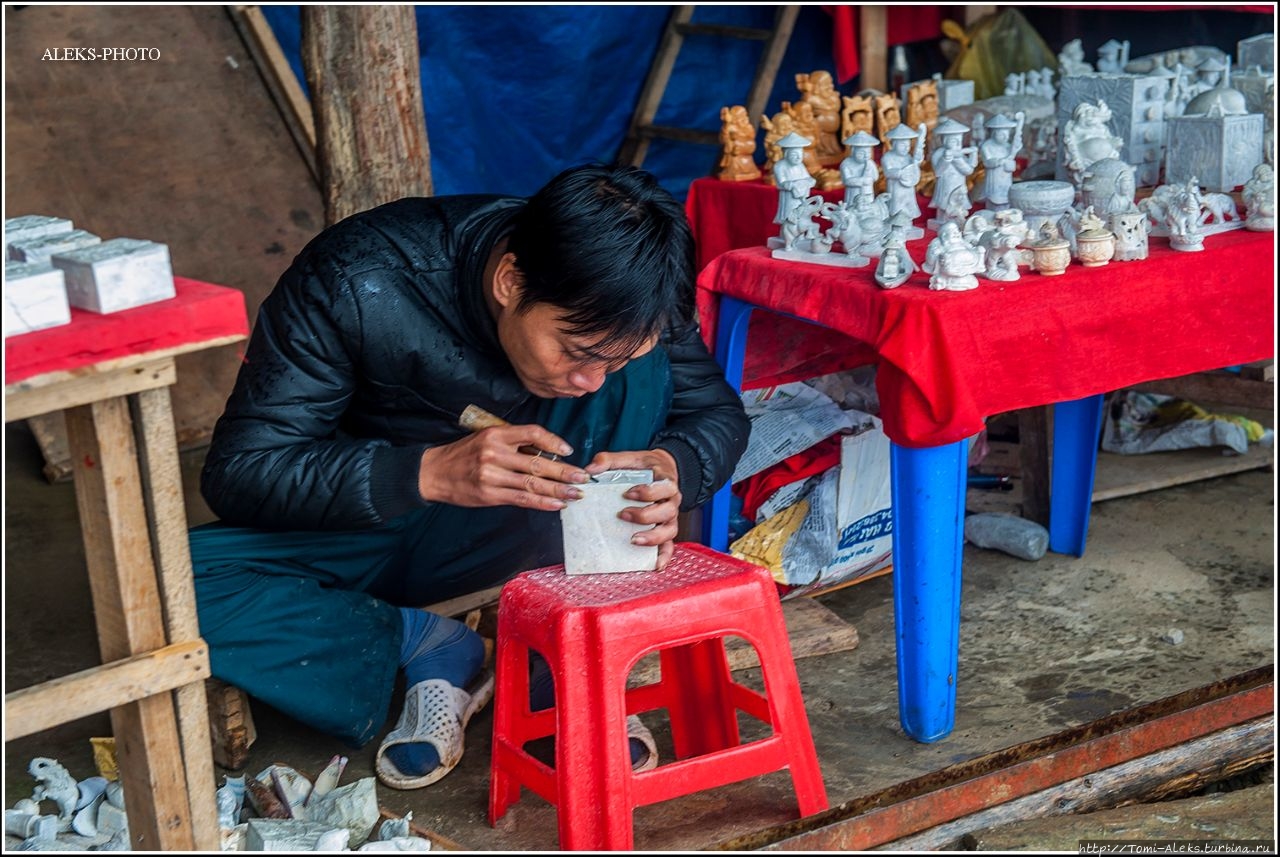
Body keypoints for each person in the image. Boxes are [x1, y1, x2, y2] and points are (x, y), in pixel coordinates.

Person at [190, 163, 751, 790]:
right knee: (170, 590)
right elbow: (242, 469)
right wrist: (427, 472)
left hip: (539, 530)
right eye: (575, 351)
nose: (590, 377)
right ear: (511, 281)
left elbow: (714, 413)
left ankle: (568, 665)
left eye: (614, 357)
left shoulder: (634, 296)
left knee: (641, 383)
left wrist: (673, 464)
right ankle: (423, 642)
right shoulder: (356, 280)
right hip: (372, 521)